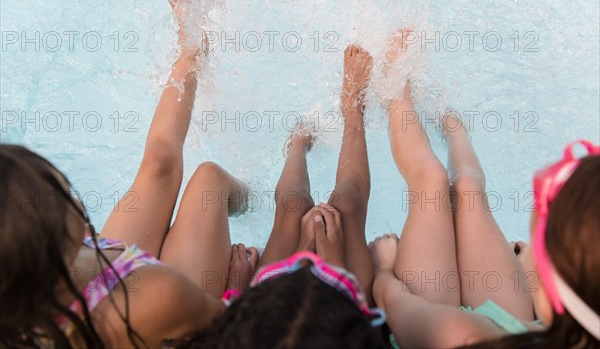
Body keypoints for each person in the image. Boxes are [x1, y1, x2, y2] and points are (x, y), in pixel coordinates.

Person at [0, 0, 258, 348]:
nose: (71, 195)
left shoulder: (26, 282)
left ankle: (191, 52)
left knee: (160, 161)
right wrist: (236, 292)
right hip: (149, 313)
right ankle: (262, 194)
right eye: (57, 195)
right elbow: (228, 328)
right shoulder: (157, 297)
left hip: (91, 282)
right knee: (209, 181)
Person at [369, 30, 600, 348]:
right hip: (519, 328)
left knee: (432, 182)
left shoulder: (461, 335)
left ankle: (395, 98)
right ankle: (453, 126)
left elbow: (391, 301)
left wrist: (382, 271)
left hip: (431, 328)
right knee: (467, 187)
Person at [188, 44, 386, 349]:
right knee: (347, 206)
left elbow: (226, 336)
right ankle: (353, 112)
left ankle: (296, 145)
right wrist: (330, 263)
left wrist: (237, 293)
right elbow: (361, 328)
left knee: (293, 205)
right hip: (343, 317)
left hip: (269, 309)